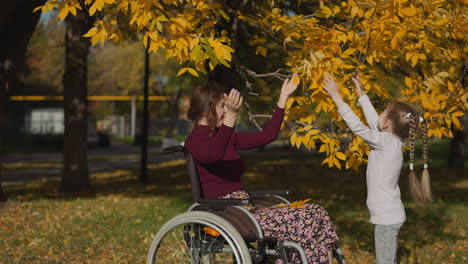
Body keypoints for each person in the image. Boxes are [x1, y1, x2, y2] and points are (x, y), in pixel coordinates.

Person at [185, 74, 339, 264]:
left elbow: (268, 135)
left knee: (316, 212)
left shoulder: (224, 136)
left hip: (246, 211)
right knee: (304, 218)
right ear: (206, 112)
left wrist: (283, 97)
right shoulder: (195, 140)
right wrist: (231, 117)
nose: (226, 111)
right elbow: (213, 155)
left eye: (227, 107)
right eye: (222, 106)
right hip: (228, 214)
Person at [323, 73, 431, 264]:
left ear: (388, 123)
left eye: (383, 112)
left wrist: (335, 96)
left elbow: (359, 127)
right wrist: (361, 94)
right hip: (389, 216)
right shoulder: (391, 141)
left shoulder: (386, 142)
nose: (379, 115)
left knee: (385, 261)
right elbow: (375, 122)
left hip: (387, 220)